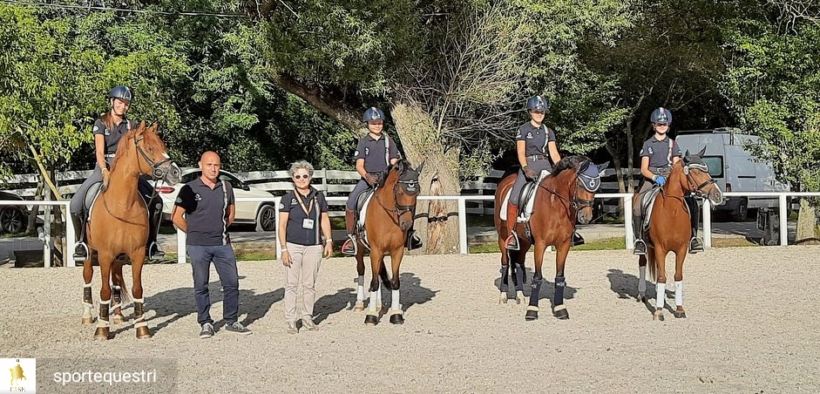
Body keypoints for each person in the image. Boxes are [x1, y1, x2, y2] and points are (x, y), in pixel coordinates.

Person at [69, 86, 165, 262]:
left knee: (157, 202)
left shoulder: (131, 126)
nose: (123, 106)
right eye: (120, 102)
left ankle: (152, 243)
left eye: (126, 104)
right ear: (112, 102)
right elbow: (99, 152)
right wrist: (105, 170)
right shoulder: (101, 123)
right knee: (75, 204)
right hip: (104, 166)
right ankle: (81, 243)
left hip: (127, 170)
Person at [172, 151, 252, 338]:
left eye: (216, 165)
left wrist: (220, 229)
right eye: (209, 165)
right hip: (198, 246)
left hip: (222, 244)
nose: (213, 168)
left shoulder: (226, 187)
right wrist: (193, 233)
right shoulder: (189, 188)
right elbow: (176, 216)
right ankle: (205, 322)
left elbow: (231, 214)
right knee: (201, 285)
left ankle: (231, 320)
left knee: (231, 283)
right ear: (201, 165)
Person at [504, 96, 585, 251]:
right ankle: (512, 234)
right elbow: (521, 151)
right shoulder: (523, 130)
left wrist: (562, 168)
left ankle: (572, 231)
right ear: (530, 112)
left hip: (545, 165)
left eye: (542, 111)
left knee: (564, 194)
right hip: (528, 165)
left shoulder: (548, 131)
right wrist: (526, 167)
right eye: (536, 111)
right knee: (514, 197)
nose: (539, 114)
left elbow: (553, 153)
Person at [341, 107, 422, 255]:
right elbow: (359, 165)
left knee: (406, 201)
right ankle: (352, 237)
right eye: (373, 123)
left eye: (379, 123)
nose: (377, 125)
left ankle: (410, 234)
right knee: (351, 202)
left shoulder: (389, 141)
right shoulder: (363, 142)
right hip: (368, 179)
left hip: (386, 179)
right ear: (368, 124)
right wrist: (367, 176)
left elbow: (394, 162)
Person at [632, 107, 704, 255]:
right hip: (651, 178)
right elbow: (644, 168)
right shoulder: (648, 144)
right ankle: (639, 240)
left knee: (693, 202)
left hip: (669, 178)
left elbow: (677, 166)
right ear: (654, 125)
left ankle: (694, 238)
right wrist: (654, 177)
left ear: (668, 125)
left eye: (664, 124)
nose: (662, 126)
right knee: (638, 205)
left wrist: (669, 178)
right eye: (659, 124)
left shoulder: (673, 144)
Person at [277, 161, 334, 334]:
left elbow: (324, 219)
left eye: (305, 176)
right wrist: (284, 249)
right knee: (291, 284)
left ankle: (307, 317)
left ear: (310, 177)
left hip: (314, 246)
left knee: (309, 284)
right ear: (293, 178)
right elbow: (282, 226)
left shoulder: (318, 197)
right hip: (293, 246)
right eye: (298, 176)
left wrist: (329, 240)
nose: (301, 179)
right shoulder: (288, 199)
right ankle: (291, 320)